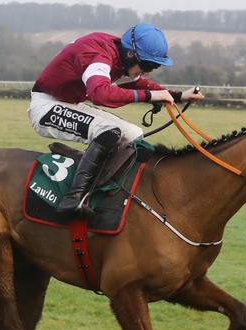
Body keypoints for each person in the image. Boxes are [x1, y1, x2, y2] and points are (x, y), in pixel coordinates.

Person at [27, 23, 205, 218]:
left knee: (134, 135)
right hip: (45, 106)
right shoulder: (99, 56)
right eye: (147, 65)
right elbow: (100, 94)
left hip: (69, 103)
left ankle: (113, 193)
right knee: (108, 132)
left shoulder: (121, 57)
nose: (148, 71)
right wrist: (150, 97)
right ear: (130, 55)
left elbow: (138, 83)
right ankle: (73, 198)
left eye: (154, 66)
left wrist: (178, 96)